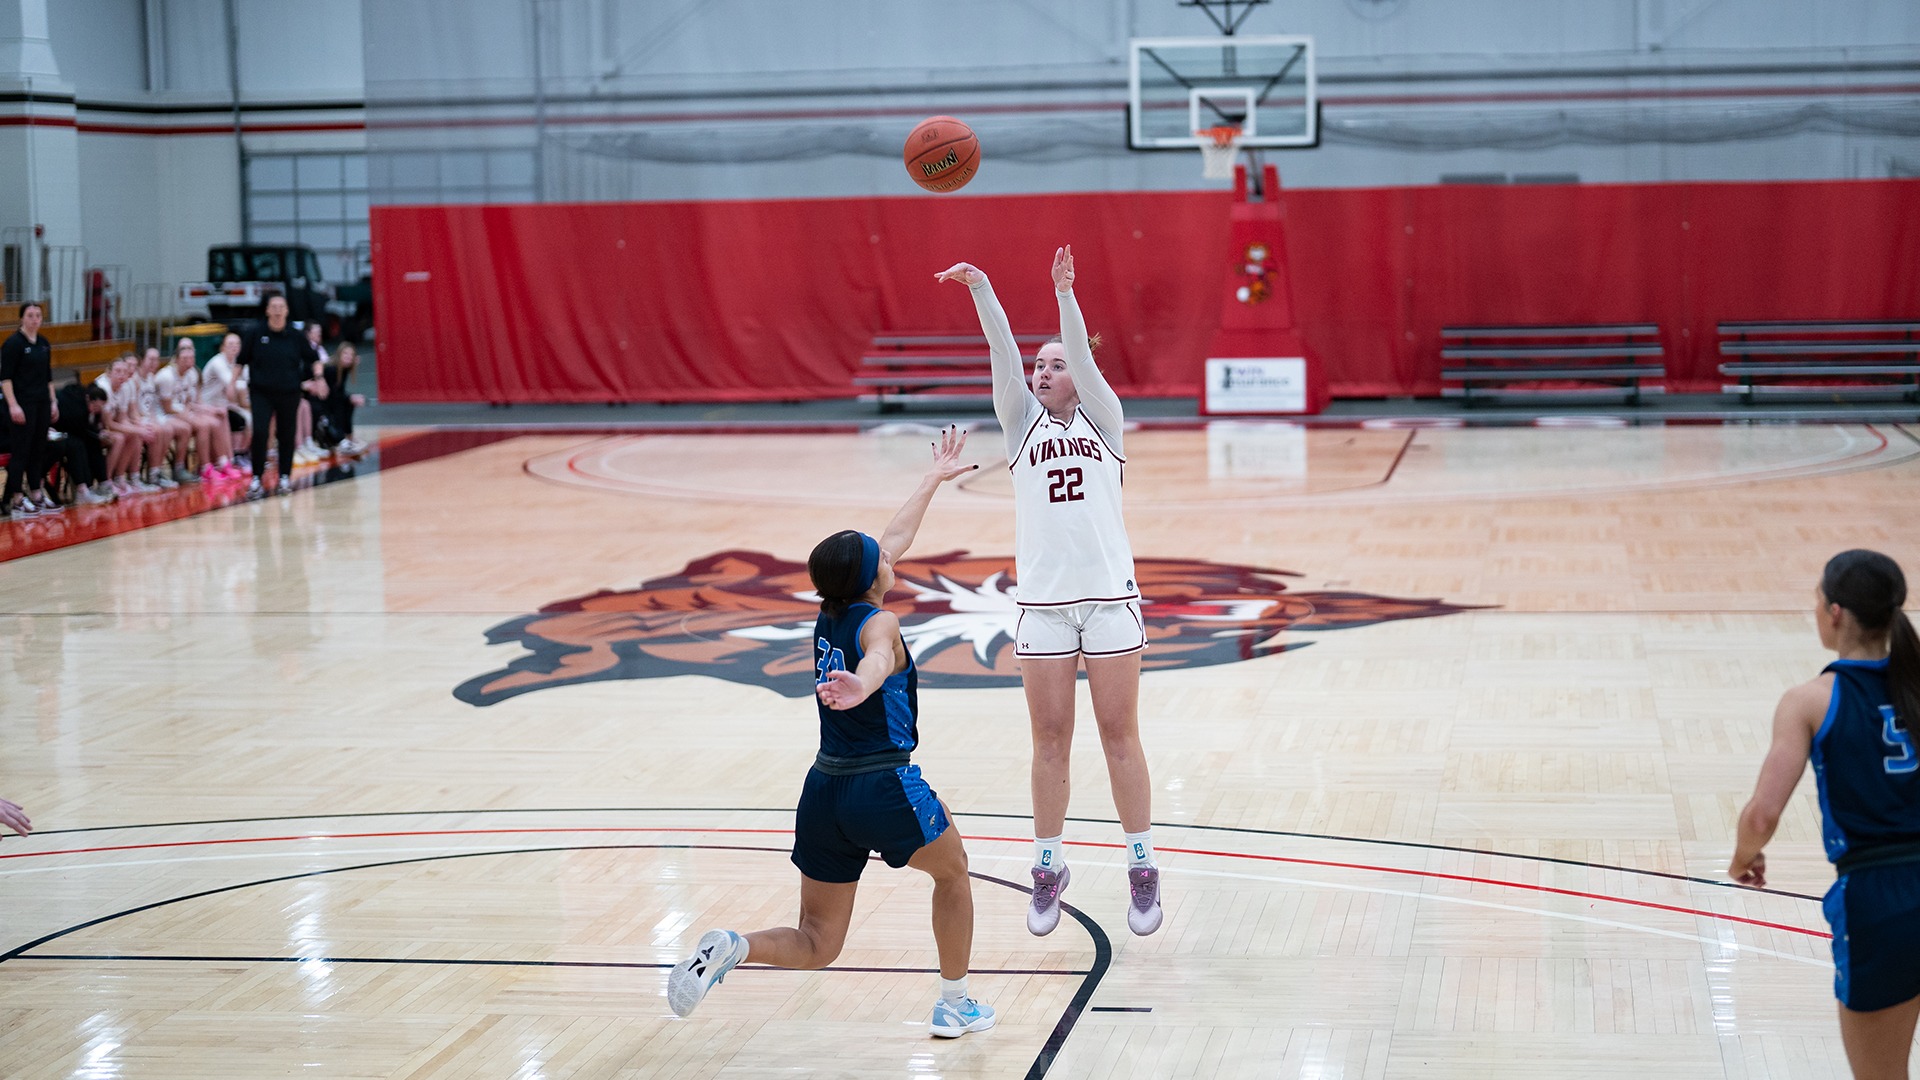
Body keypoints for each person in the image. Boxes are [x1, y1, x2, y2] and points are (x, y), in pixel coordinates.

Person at [667, 427, 995, 1039]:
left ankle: (735, 945)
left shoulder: (830, 609)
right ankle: (955, 1004)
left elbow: (891, 542)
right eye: (883, 559)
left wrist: (931, 480)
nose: (891, 555)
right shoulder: (881, 621)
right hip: (882, 786)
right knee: (953, 873)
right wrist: (866, 685)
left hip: (823, 791)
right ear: (875, 579)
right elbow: (877, 656)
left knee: (818, 942)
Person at [937, 246, 1163, 937]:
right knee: (1049, 740)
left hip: (1110, 601)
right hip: (1042, 607)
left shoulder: (1105, 420)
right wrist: (982, 285)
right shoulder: (1021, 423)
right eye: (1039, 365)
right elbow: (1001, 352)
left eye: (1054, 363)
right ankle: (1047, 864)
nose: (1041, 371)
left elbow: (1087, 366)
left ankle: (1141, 863)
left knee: (1120, 735)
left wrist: (1065, 293)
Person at [1731, 550, 1920, 1080]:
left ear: (1835, 612)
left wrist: (1743, 858)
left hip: (1881, 903)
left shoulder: (1812, 700)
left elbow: (1762, 817)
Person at [238, 295, 322, 497]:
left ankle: (285, 477)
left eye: (281, 307)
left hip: (289, 392)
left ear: (286, 310)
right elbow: (241, 361)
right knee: (260, 432)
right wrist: (233, 384)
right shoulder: (255, 333)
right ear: (267, 310)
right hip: (261, 392)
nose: (277, 310)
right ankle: (257, 478)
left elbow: (314, 358)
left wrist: (319, 378)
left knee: (286, 434)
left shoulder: (295, 335)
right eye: (273, 307)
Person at [2, 300, 62, 518]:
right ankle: (17, 499)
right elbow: (5, 378)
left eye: (38, 315)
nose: (35, 319)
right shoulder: (13, 344)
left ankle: (36, 493)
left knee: (38, 450)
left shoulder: (44, 343)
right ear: (21, 318)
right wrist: (13, 405)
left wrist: (53, 401)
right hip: (22, 404)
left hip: (42, 404)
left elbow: (48, 378)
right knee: (22, 452)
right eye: (30, 315)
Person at [156, 337, 240, 479]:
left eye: (192, 357)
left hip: (181, 411)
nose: (190, 360)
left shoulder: (192, 373)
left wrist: (209, 410)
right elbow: (167, 408)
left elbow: (191, 402)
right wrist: (190, 415)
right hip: (164, 415)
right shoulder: (167, 376)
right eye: (185, 358)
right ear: (177, 359)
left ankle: (223, 462)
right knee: (203, 425)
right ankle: (204, 467)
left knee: (216, 420)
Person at [135, 347, 195, 486]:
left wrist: (154, 418)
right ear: (142, 360)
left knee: (183, 428)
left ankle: (176, 468)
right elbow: (135, 409)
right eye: (150, 359)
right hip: (140, 418)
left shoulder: (151, 377)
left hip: (153, 415)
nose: (154, 363)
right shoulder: (135, 380)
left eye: (156, 359)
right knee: (165, 430)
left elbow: (150, 407)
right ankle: (154, 474)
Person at [53, 381, 116, 505]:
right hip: (58, 431)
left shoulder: (91, 408)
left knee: (94, 444)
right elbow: (77, 428)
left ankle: (103, 482)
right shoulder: (74, 406)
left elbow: (87, 429)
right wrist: (95, 434)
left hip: (73, 432)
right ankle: (83, 489)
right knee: (77, 445)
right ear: (89, 399)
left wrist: (100, 433)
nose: (96, 410)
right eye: (96, 407)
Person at [321, 341, 367, 454]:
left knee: (348, 403)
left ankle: (348, 436)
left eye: (351, 355)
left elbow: (338, 392)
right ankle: (341, 438)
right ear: (339, 354)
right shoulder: (332, 369)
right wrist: (350, 397)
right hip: (322, 400)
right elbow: (333, 395)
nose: (348, 357)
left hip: (331, 399)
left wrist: (350, 398)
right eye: (345, 353)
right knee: (341, 404)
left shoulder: (343, 369)